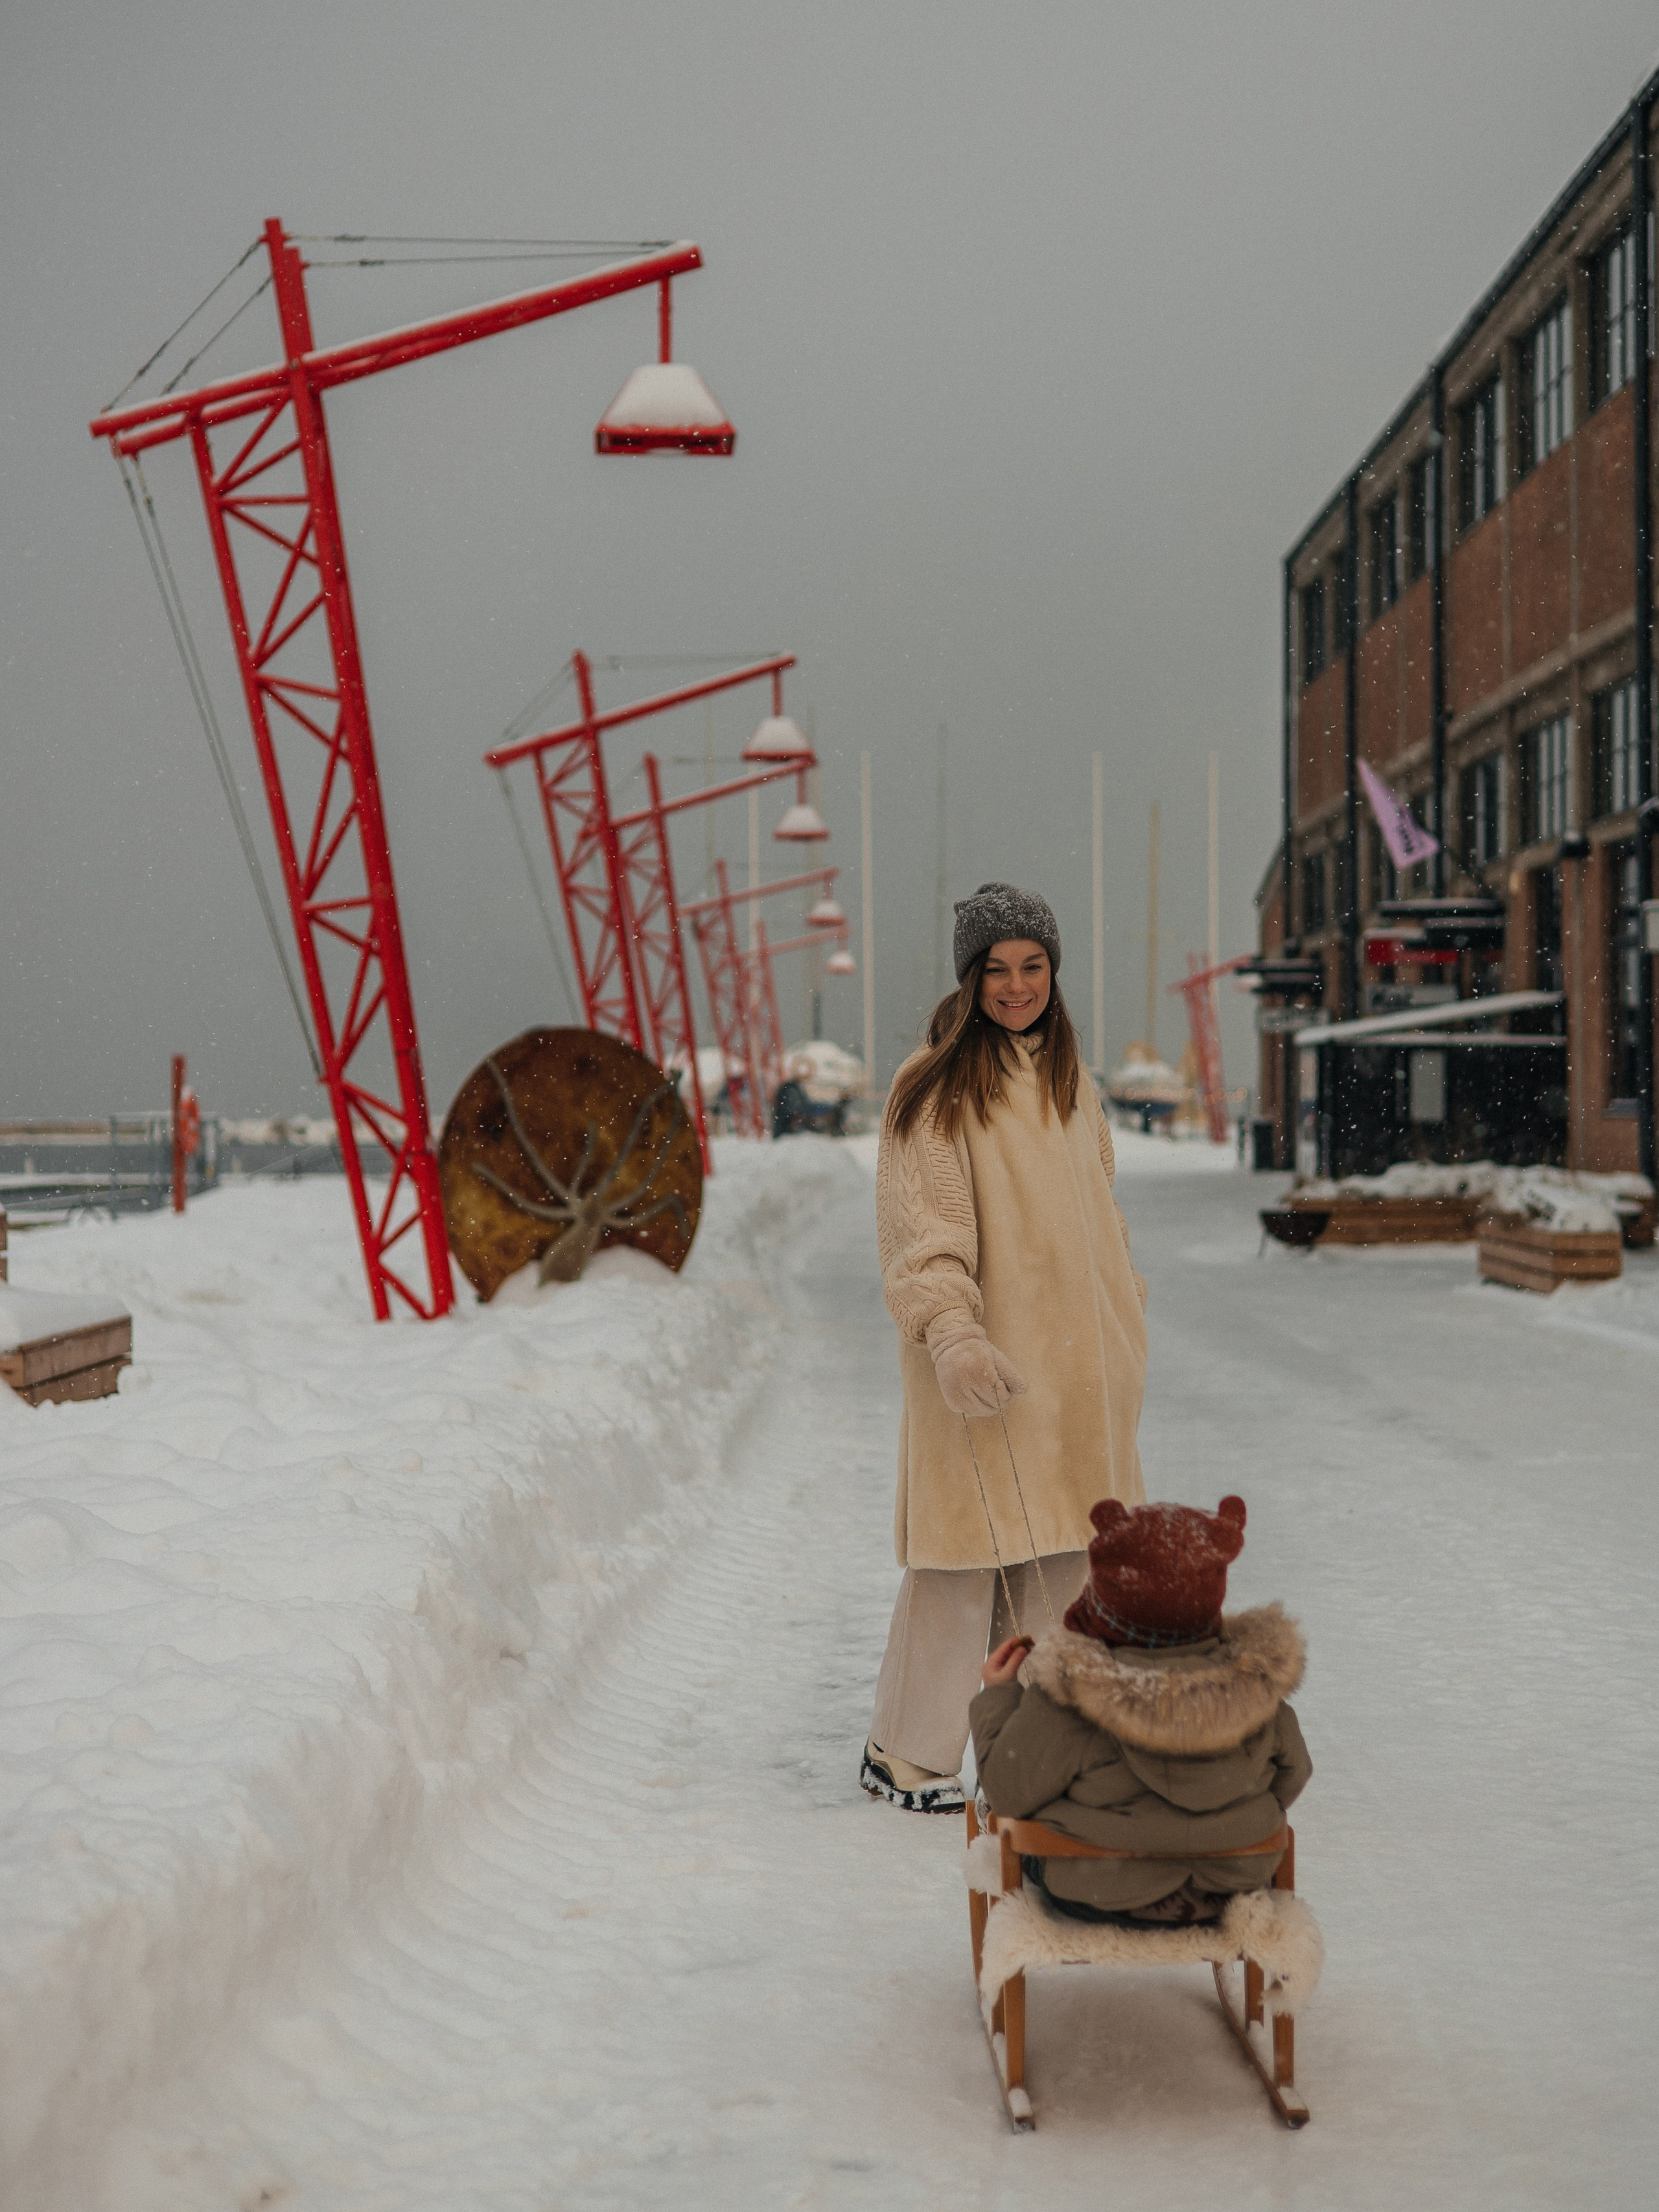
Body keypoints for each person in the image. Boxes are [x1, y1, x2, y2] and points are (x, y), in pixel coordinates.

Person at [861, 881, 1149, 1813]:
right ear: (971, 979)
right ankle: (907, 1753)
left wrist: (1124, 1314)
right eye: (998, 970)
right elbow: (922, 1231)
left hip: (1077, 1374)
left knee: (1062, 1568)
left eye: (1032, 967)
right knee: (960, 1566)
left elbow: (1101, 1218)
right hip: (985, 1364)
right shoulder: (933, 1086)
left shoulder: (1072, 1087)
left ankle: (1046, 1757)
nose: (1016, 986)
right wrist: (952, 1335)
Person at [969, 1494, 1311, 1923]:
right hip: (1229, 1885)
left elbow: (1009, 1790)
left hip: (1096, 1890)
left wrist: (999, 1697)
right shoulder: (1255, 1687)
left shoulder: (1070, 1692)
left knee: (1025, 1822)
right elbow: (1293, 1774)